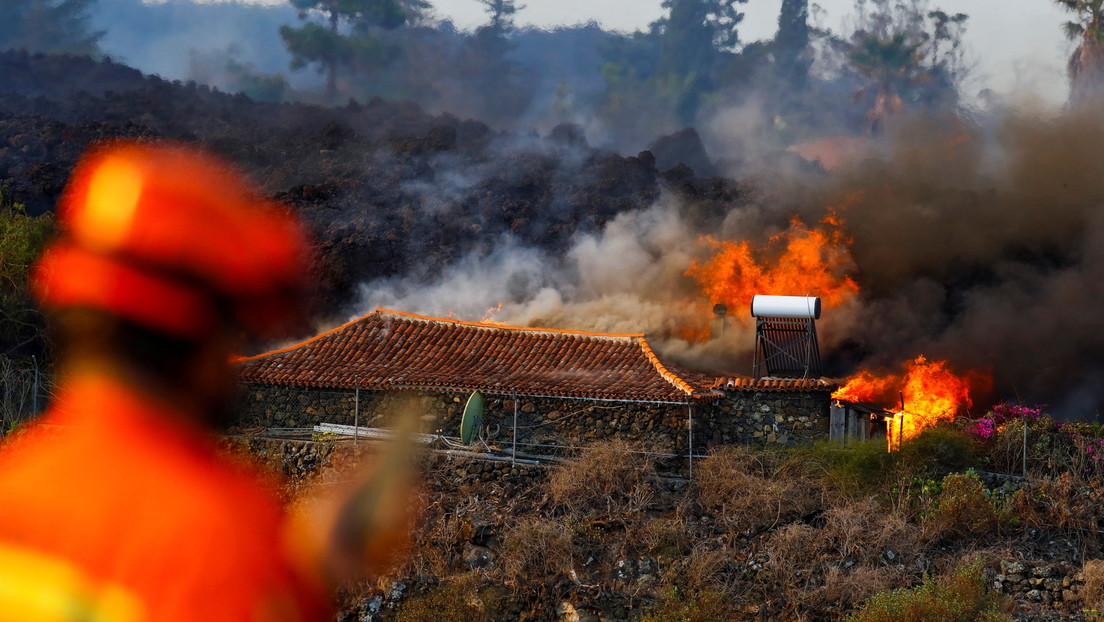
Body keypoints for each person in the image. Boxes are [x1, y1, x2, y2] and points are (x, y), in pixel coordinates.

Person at [0, 141, 366, 621]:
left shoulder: (15, 483)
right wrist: (299, 582)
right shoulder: (220, 534)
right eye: (233, 328)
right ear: (199, 337)